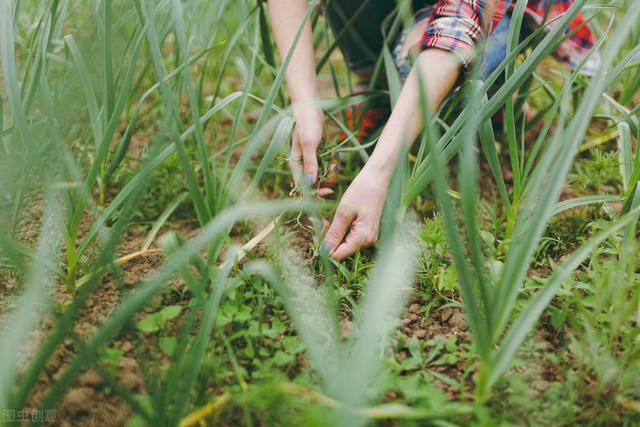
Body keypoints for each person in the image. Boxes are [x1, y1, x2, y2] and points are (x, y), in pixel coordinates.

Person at [267, 0, 598, 260]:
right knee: (401, 62)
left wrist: (378, 174)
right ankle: (376, 91)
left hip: (489, 11)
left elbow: (458, 22)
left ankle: (496, 94)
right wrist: (306, 107)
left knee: (409, 60)